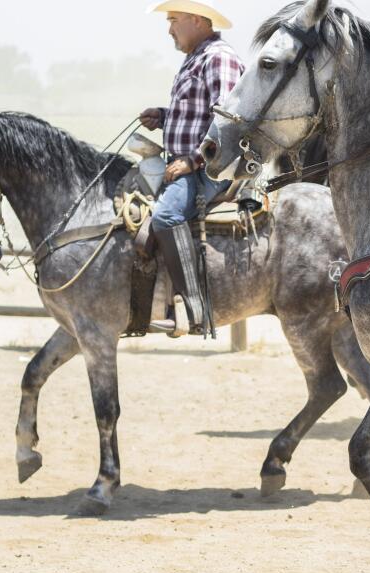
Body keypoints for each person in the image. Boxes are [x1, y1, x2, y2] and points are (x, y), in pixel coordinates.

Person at [139, 1, 244, 336]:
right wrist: (164, 115)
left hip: (212, 169)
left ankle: (195, 310)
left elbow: (229, 124)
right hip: (189, 164)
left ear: (198, 21)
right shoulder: (195, 58)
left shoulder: (218, 58)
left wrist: (192, 161)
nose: (169, 29)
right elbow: (199, 114)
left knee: (166, 215)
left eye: (173, 20)